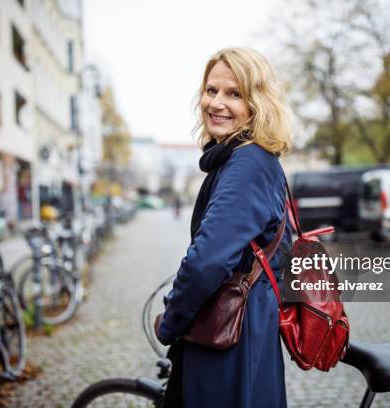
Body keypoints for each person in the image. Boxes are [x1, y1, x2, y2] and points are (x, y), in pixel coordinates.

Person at [155, 47, 293, 408]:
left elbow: (206, 261)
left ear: (257, 104)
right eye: (211, 90)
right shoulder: (240, 159)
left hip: (229, 337)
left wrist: (172, 322)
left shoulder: (247, 162)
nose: (217, 103)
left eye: (234, 93)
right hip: (239, 328)